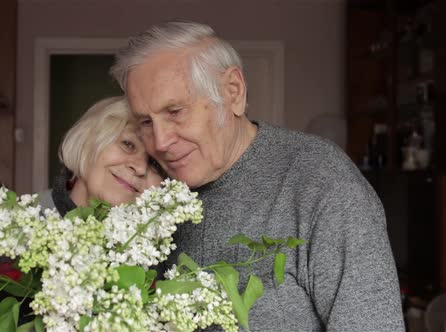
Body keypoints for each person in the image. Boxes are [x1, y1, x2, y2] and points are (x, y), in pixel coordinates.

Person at [111, 20, 405, 331]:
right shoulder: (150, 187)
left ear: (233, 92)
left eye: (175, 112)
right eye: (145, 122)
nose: (160, 141)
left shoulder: (322, 184)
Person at [0, 96, 163, 331]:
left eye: (154, 163)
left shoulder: (152, 257)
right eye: (128, 144)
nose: (139, 167)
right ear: (88, 143)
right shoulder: (9, 232)